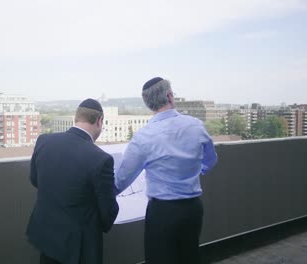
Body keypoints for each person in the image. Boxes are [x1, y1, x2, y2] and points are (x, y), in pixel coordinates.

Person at [114, 77, 218, 264]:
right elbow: (210, 161)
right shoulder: (196, 125)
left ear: (149, 104)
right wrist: (191, 172)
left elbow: (121, 181)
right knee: (189, 257)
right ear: (170, 96)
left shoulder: (143, 137)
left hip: (162, 212)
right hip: (192, 208)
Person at [26, 99, 119, 264]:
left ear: (76, 118)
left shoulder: (44, 141)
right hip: (78, 248)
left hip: (46, 237)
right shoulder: (100, 159)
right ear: (99, 121)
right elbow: (108, 213)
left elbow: (35, 180)